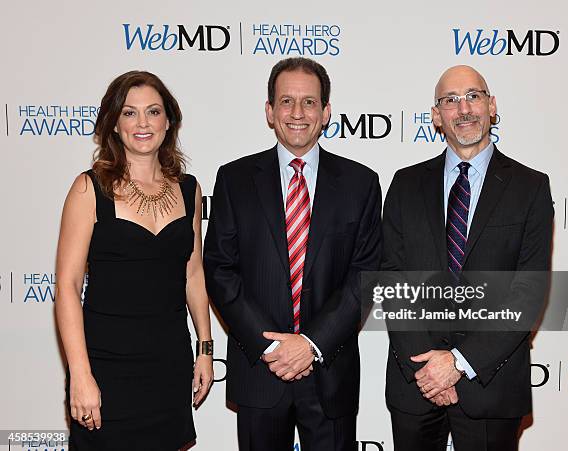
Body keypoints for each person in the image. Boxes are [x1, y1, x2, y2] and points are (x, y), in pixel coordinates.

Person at [204, 57, 382, 451]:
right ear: (269, 111)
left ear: (326, 112)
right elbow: (219, 269)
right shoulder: (234, 180)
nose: (297, 113)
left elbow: (365, 274)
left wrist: (311, 344)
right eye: (286, 102)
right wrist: (272, 346)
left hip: (329, 370)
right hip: (259, 371)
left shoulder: (361, 183)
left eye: (309, 102)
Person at [382, 65, 554, 451]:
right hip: (416, 383)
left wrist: (458, 362)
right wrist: (429, 368)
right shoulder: (405, 184)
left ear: (492, 106)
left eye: (473, 96)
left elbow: (527, 294)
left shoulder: (531, 187)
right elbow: (393, 281)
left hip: (491, 385)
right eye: (450, 100)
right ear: (436, 116)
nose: (463, 109)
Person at [55, 71, 214, 450]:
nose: (142, 123)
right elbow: (67, 287)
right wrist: (80, 374)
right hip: (106, 368)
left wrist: (205, 349)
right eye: (129, 113)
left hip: (169, 365)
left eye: (153, 112)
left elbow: (193, 273)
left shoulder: (189, 189)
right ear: (113, 123)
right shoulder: (88, 188)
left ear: (168, 121)